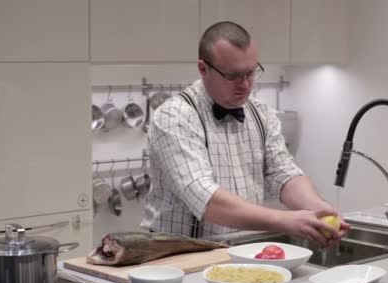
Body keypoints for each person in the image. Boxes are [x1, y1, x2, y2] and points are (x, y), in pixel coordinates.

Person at [141, 21, 349, 247]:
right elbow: (205, 198)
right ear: (203, 69)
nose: (246, 84)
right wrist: (284, 220)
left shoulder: (261, 114)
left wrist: (314, 205)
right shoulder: (175, 116)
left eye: (251, 72)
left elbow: (283, 173)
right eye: (233, 76)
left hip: (243, 250)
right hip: (179, 255)